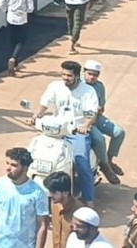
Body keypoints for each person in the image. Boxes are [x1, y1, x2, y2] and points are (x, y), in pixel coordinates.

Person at [26, 61, 99, 202]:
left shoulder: (88, 91)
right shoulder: (55, 86)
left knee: (82, 163)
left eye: (69, 76)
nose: (66, 78)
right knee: (31, 155)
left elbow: (92, 113)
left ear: (77, 76)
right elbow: (44, 104)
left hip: (76, 132)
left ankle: (88, 200)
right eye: (64, 75)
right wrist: (35, 117)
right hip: (56, 131)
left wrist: (85, 126)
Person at [0, 148, 49, 248]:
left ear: (25, 168)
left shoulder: (38, 192)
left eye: (13, 165)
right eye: (7, 163)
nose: (8, 168)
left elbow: (42, 225)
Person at [81, 60, 125, 185]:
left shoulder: (99, 86)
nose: (92, 77)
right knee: (100, 140)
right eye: (89, 74)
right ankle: (104, 165)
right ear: (83, 72)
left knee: (119, 132)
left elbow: (102, 105)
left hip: (97, 117)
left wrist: (99, 109)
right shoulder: (79, 86)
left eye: (95, 75)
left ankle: (109, 160)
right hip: (84, 120)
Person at [0, 0, 35, 76]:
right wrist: (25, 11)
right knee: (21, 40)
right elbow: (31, 8)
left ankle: (14, 62)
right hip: (22, 19)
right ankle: (14, 58)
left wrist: (7, 11)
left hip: (10, 18)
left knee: (12, 40)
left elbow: (0, 5)